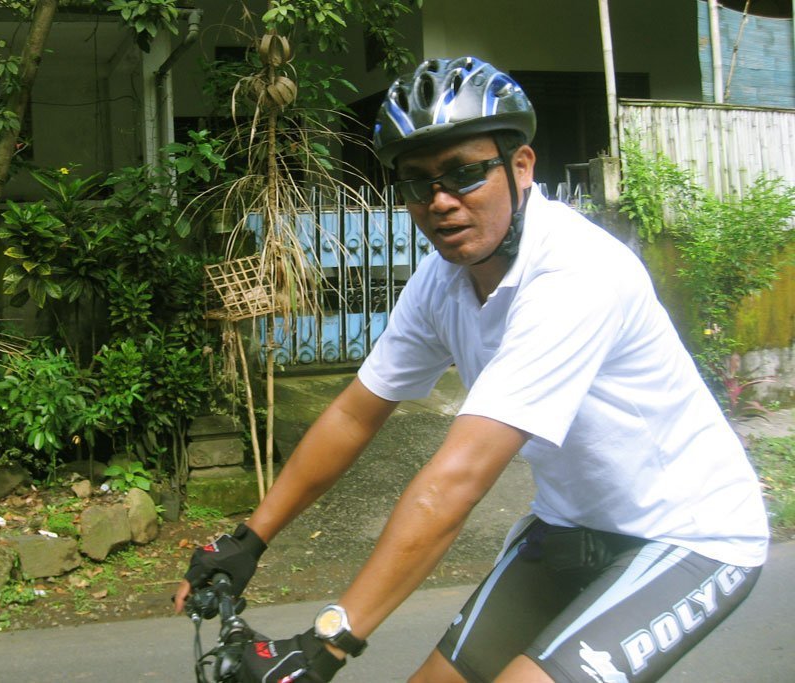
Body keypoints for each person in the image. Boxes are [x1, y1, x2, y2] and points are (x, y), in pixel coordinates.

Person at [173, 56, 769, 683]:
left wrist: (329, 641)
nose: (441, 202)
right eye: (417, 183)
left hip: (689, 535)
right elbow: (354, 414)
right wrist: (248, 540)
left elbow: (456, 480)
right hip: (568, 525)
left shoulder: (576, 275)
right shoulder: (442, 280)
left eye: (464, 174)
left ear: (521, 168)